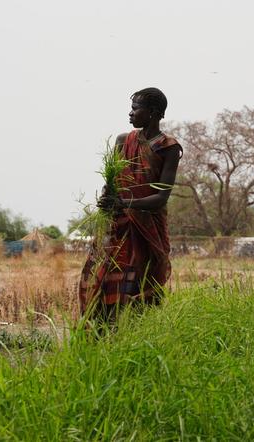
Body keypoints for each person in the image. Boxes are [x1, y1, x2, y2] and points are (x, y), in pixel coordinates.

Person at [78, 87, 182, 323]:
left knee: (140, 280)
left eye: (136, 109)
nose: (130, 113)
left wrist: (124, 203)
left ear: (153, 112)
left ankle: (137, 332)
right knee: (103, 276)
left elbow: (161, 197)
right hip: (117, 225)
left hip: (147, 227)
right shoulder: (123, 141)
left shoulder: (168, 147)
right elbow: (111, 184)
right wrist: (107, 200)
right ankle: (99, 331)